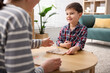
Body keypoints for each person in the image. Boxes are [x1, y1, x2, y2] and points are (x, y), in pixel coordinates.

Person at [0, 0, 61, 73]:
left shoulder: (3, 11)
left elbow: (14, 44)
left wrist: (41, 42)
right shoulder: (17, 16)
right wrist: (43, 68)